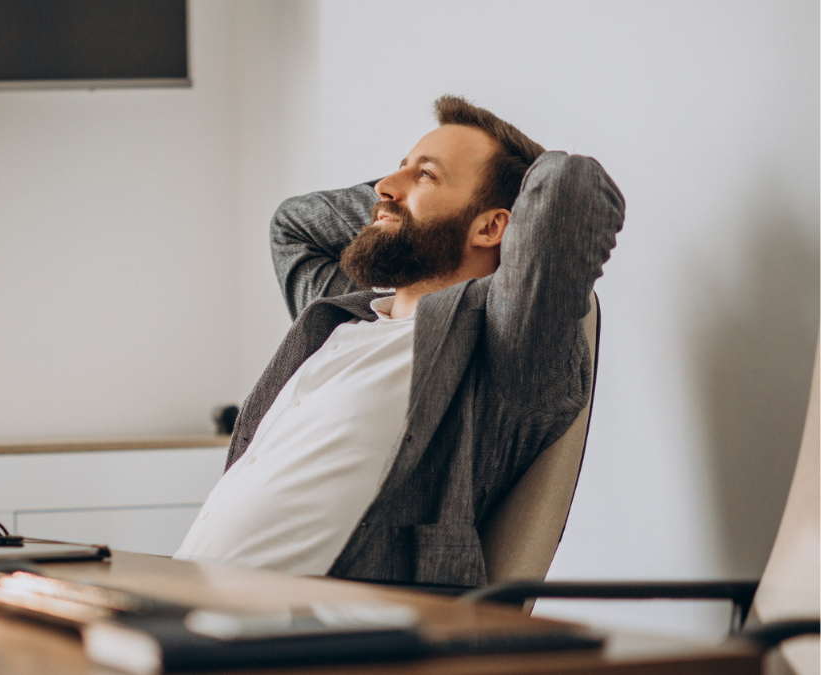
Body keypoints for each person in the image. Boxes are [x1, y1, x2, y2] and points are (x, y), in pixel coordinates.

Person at [173, 95, 626, 587]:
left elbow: (569, 188)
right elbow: (294, 224)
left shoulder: (502, 344)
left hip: (319, 637)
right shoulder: (345, 313)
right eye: (397, 170)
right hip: (185, 602)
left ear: (494, 226)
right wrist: (401, 201)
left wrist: (424, 208)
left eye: (425, 175)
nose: (383, 187)